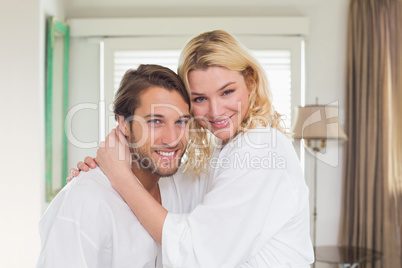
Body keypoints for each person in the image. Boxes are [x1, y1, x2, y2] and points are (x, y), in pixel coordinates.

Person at [71, 30, 315, 267]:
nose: (216, 111)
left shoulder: (261, 148)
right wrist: (100, 176)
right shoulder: (221, 153)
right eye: (199, 99)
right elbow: (165, 196)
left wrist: (120, 177)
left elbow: (197, 255)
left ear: (250, 83)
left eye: (227, 92)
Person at [37, 64, 197, 268]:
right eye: (155, 121)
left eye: (181, 122)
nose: (172, 139)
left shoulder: (188, 186)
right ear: (123, 123)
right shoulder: (84, 201)